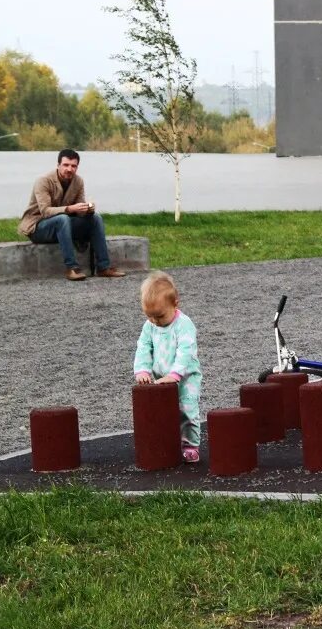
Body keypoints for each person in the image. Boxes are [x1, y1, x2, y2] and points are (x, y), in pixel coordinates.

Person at [17, 149, 126, 281]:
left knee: (95, 218)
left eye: (73, 166)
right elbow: (45, 211)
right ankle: (72, 268)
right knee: (62, 219)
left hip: (63, 225)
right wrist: (69, 209)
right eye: (66, 165)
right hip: (38, 227)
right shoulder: (43, 181)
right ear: (58, 165)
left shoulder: (78, 181)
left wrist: (87, 209)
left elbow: (78, 210)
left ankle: (103, 267)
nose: (69, 169)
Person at [133, 271, 203, 463]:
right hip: (160, 377)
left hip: (186, 377)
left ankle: (190, 445)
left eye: (160, 316)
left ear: (175, 304)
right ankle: (166, 443)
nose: (155, 321)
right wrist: (143, 370)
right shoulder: (150, 326)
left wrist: (175, 374)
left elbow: (185, 352)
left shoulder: (184, 325)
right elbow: (143, 347)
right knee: (161, 412)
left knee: (187, 409)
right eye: (150, 316)